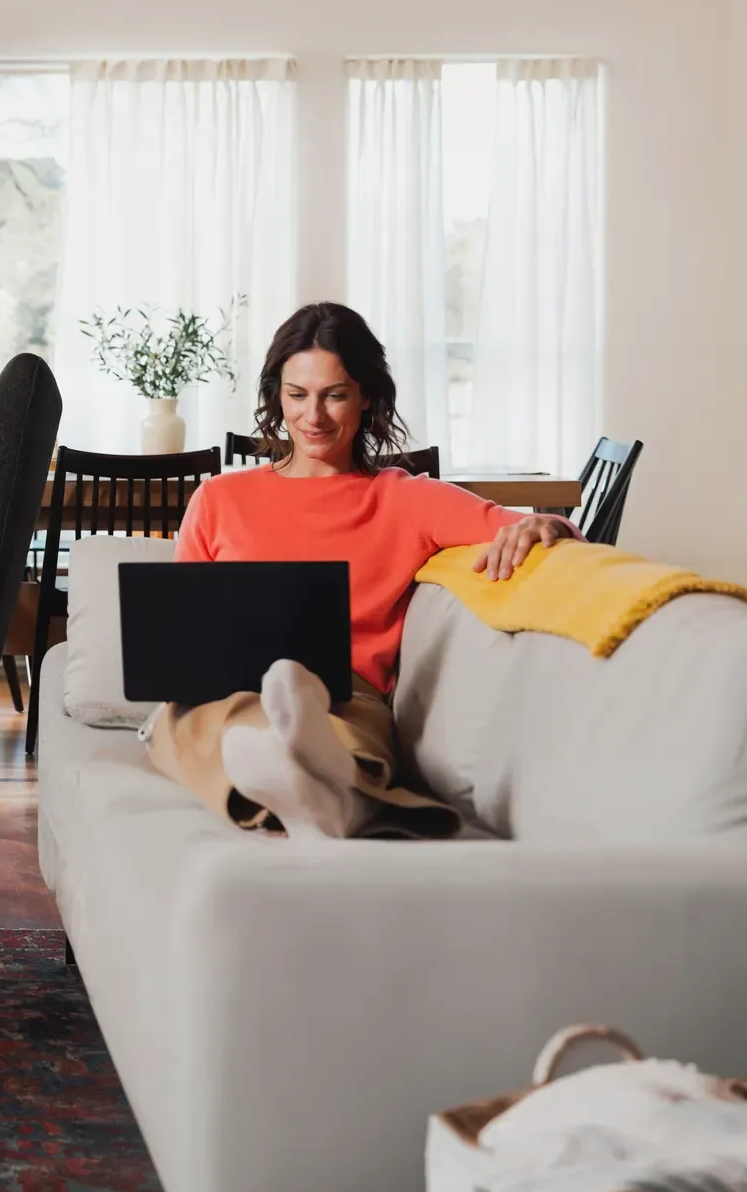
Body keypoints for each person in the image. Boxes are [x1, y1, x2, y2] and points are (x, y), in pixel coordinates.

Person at [146, 301, 577, 840]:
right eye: (298, 395)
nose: (314, 417)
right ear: (277, 395)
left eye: (335, 395)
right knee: (185, 719)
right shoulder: (219, 498)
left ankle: (298, 768)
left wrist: (543, 528)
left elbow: (550, 529)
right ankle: (317, 785)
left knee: (345, 728)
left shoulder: (406, 499)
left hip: (349, 692)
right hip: (234, 684)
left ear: (367, 395)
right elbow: (184, 629)